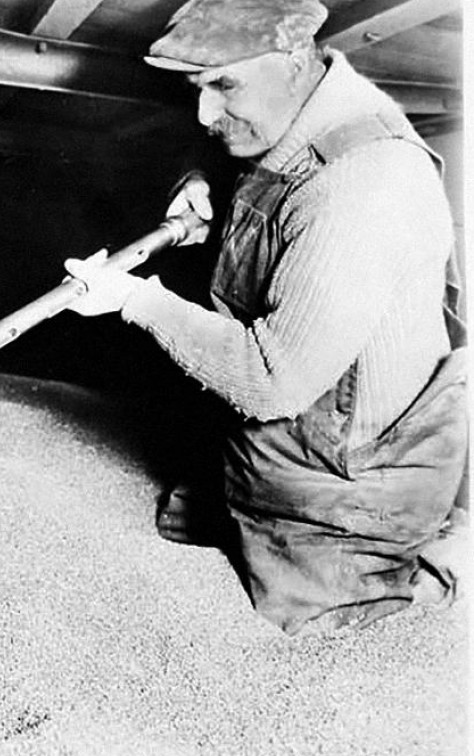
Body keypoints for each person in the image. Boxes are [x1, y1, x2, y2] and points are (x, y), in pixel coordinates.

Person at [63, 0, 467, 635]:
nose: (204, 112)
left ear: (296, 62)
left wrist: (135, 300)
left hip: (349, 482)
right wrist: (200, 185)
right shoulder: (305, 110)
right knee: (184, 516)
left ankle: (439, 559)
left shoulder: (364, 184)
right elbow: (262, 172)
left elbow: (270, 382)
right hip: (288, 438)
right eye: (196, 88)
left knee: (311, 622)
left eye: (224, 85)